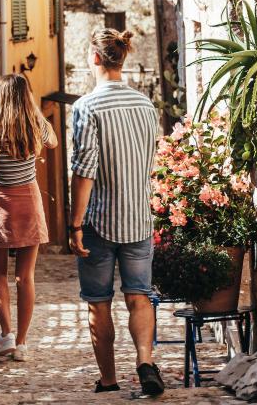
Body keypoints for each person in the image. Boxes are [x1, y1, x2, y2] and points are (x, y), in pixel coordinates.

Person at [69, 28, 163, 395]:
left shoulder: (86, 108)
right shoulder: (146, 106)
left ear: (94, 58)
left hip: (99, 221)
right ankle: (144, 360)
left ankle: (108, 380)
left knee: (99, 303)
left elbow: (84, 170)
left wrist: (75, 225)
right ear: (121, 58)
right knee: (139, 296)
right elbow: (150, 161)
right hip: (138, 218)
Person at [0, 73, 58, 362]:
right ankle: (21, 344)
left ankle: (6, 334)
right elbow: (54, 142)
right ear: (26, 97)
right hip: (30, 203)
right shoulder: (34, 124)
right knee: (26, 277)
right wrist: (34, 111)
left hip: (2, 203)